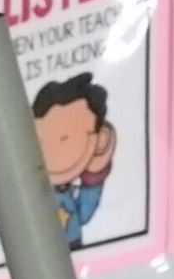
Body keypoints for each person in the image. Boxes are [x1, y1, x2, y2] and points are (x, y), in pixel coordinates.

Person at [30, 75, 118, 247]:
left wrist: (95, 175)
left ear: (100, 139)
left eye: (64, 139)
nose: (52, 152)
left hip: (72, 245)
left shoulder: (66, 193)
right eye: (41, 142)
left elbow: (84, 213)